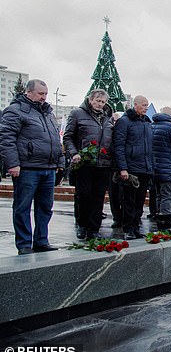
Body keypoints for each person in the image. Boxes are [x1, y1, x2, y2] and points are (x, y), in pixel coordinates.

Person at [0, 79, 64, 255]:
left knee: (45, 207)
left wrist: (59, 163)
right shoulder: (15, 111)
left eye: (45, 94)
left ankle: (41, 240)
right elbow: (6, 139)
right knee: (23, 207)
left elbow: (55, 141)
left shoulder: (48, 113)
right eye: (40, 94)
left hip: (48, 168)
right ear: (28, 93)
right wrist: (13, 164)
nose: (44, 97)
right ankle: (24, 244)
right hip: (27, 168)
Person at [64, 89, 114, 240]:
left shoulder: (108, 117)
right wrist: (74, 153)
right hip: (84, 162)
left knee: (98, 197)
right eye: (97, 101)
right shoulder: (77, 114)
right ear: (90, 100)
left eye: (103, 102)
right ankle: (82, 225)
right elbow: (68, 137)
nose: (100, 104)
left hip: (103, 163)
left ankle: (94, 228)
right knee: (84, 195)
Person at [113, 95, 153, 240]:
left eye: (147, 105)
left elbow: (150, 147)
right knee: (129, 201)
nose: (146, 108)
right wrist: (123, 168)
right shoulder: (125, 121)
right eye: (143, 105)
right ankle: (128, 228)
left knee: (139, 202)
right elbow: (119, 146)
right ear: (135, 105)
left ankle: (136, 227)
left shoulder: (147, 123)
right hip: (131, 169)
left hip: (145, 168)